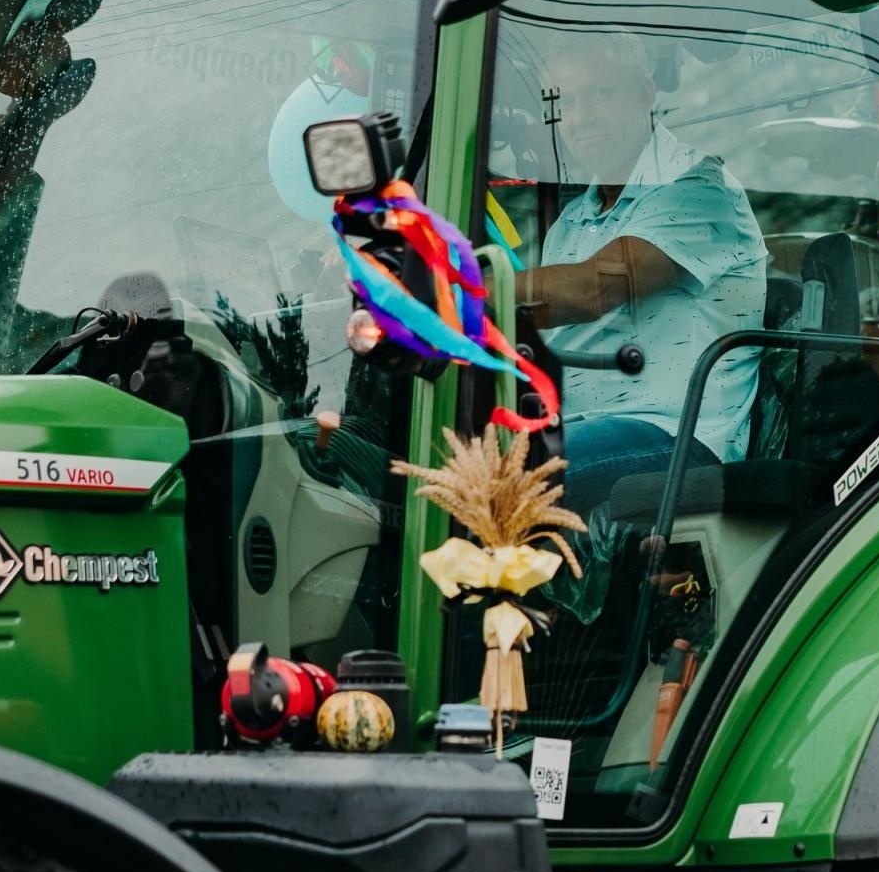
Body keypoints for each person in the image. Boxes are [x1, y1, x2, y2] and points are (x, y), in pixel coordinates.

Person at [314, 30, 767, 517]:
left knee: (479, 491)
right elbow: (527, 324)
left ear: (645, 94)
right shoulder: (576, 219)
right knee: (393, 449)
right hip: (575, 426)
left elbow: (597, 286)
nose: (582, 117)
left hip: (674, 436)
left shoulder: (698, 187)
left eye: (600, 93)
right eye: (565, 101)